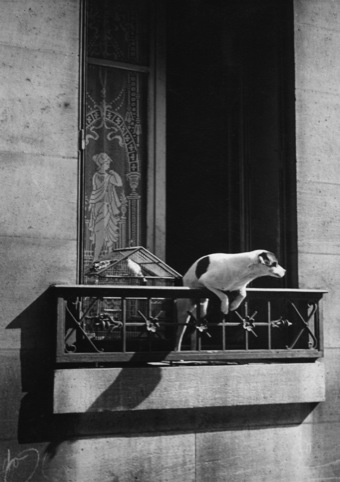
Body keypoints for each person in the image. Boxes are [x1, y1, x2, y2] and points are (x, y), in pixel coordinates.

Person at [88, 152, 123, 260]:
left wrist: (114, 174)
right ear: (101, 164)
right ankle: (96, 258)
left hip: (106, 207)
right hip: (101, 207)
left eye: (108, 162)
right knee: (100, 233)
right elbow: (118, 183)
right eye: (107, 162)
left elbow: (119, 183)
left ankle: (103, 257)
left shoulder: (105, 176)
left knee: (106, 233)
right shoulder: (102, 176)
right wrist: (114, 174)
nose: (108, 164)